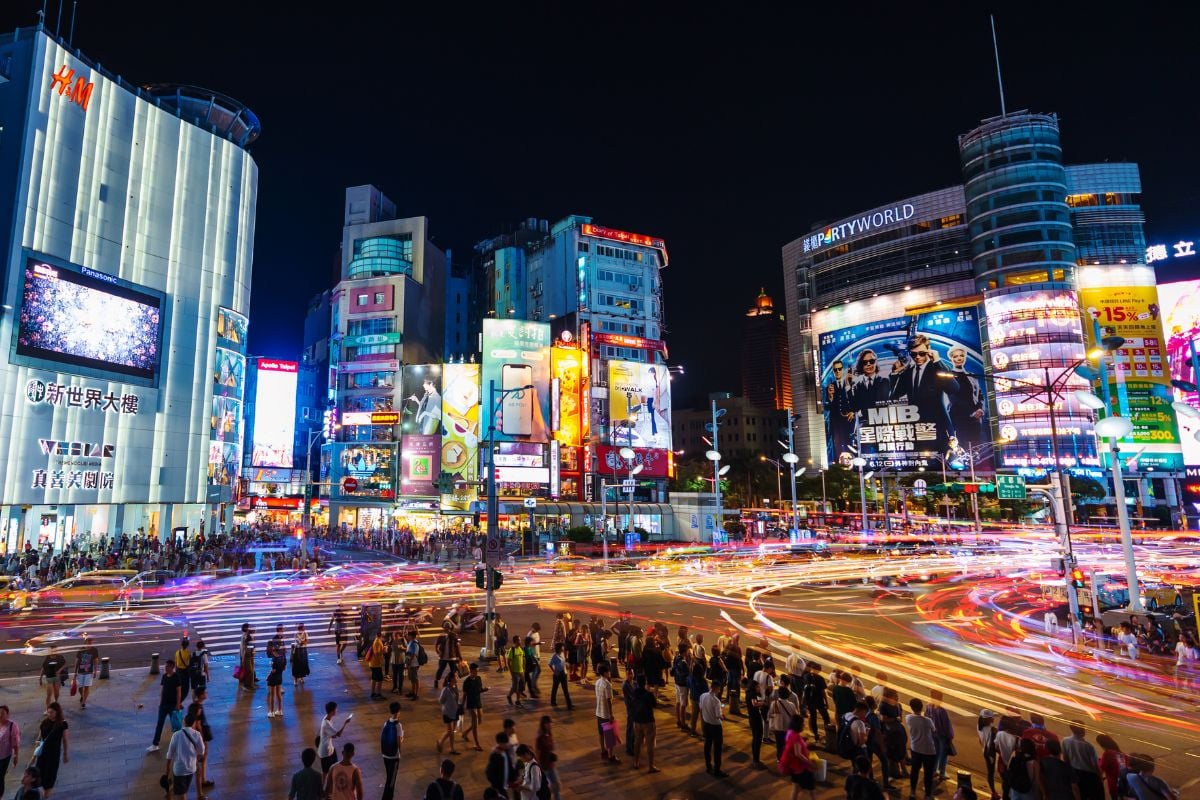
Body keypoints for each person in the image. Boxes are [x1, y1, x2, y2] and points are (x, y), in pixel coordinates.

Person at [164, 710, 204, 800]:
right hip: (191, 768)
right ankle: (171, 793)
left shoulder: (176, 735)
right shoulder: (197, 735)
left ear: (184, 722)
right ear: (194, 723)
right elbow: (201, 751)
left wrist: (167, 770)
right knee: (183, 790)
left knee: (182, 793)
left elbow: (170, 754)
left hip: (179, 770)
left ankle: (170, 794)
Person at [32, 703, 68, 799]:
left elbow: (65, 739)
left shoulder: (62, 724)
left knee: (50, 777)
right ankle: (40, 794)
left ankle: (46, 795)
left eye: (51, 712)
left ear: (57, 712)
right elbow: (39, 738)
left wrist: (65, 753)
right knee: (38, 774)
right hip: (42, 754)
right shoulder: (45, 722)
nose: (49, 714)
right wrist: (34, 754)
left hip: (53, 755)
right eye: (48, 712)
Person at [1060, 722, 1103, 800]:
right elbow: (1095, 765)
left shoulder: (1065, 741)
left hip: (1075, 773)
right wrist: (1100, 776)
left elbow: (1066, 758)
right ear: (1082, 730)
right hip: (1089, 776)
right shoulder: (1088, 746)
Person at [148, 660, 183, 752]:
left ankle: (179, 743)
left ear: (172, 667)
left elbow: (179, 692)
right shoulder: (164, 676)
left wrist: (178, 705)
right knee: (159, 724)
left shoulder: (176, 677)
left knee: (175, 725)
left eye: (167, 666)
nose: (165, 668)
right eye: (165, 666)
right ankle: (155, 744)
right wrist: (160, 703)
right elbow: (163, 690)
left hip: (173, 706)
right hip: (163, 705)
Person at [907, 698, 938, 800]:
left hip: (915, 748)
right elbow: (934, 730)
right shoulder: (927, 721)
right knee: (928, 773)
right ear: (922, 707)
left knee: (914, 771)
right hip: (928, 750)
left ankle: (912, 792)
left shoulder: (908, 718)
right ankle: (928, 795)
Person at [630, 675, 660, 773]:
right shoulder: (648, 694)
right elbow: (655, 705)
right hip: (648, 721)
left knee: (637, 742)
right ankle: (651, 766)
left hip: (637, 721)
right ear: (645, 683)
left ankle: (636, 762)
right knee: (650, 744)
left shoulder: (634, 692)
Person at [784, 715, 816, 800]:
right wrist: (810, 763)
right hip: (802, 767)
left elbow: (793, 747)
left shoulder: (789, 732)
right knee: (811, 790)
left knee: (795, 788)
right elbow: (798, 754)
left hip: (793, 766)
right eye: (803, 724)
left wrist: (804, 743)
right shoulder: (796, 736)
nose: (804, 725)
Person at [926, 689, 955, 783]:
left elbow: (927, 718)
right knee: (943, 755)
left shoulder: (928, 707)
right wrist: (950, 736)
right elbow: (946, 725)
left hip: (933, 733)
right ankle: (942, 773)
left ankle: (934, 770)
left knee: (936, 753)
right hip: (942, 736)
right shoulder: (942, 711)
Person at [699, 682, 726, 778]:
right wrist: (722, 715)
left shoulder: (703, 696)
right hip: (716, 726)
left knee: (707, 746)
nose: (719, 691)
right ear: (716, 688)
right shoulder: (716, 701)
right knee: (717, 748)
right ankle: (717, 770)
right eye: (719, 689)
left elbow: (701, 708)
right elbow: (718, 715)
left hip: (706, 725)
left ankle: (708, 766)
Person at [594, 663, 619, 762]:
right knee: (609, 735)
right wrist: (611, 714)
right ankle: (610, 755)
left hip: (598, 711)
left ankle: (603, 750)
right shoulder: (607, 684)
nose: (609, 673)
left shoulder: (597, 682)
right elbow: (609, 700)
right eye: (608, 671)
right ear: (605, 673)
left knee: (601, 733)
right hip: (605, 713)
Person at [769, 682, 800, 762]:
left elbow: (770, 715)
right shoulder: (792, 705)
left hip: (778, 729)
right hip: (789, 729)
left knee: (779, 745)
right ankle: (788, 759)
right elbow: (796, 716)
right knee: (788, 745)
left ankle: (780, 759)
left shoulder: (775, 704)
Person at [317, 701, 350, 775]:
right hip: (325, 751)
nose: (336, 710)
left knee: (334, 768)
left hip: (330, 748)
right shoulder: (327, 724)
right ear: (332, 711)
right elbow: (338, 734)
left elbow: (332, 735)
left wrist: (332, 735)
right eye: (335, 709)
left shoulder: (326, 717)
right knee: (326, 772)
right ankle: (326, 785)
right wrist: (345, 723)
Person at [380, 702, 403, 800]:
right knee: (391, 781)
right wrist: (400, 752)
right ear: (398, 712)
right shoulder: (398, 725)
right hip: (394, 756)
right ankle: (387, 798)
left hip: (385, 755)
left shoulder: (386, 723)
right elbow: (399, 742)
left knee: (389, 778)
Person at [461, 662, 487, 751]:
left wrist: (484, 690)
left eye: (477, 670)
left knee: (479, 721)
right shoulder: (466, 682)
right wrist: (462, 705)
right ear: (471, 671)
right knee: (475, 723)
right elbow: (464, 695)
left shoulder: (479, 678)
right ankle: (476, 744)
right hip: (471, 703)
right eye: (475, 670)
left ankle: (465, 733)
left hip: (478, 702)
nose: (476, 672)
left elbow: (479, 690)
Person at [436, 672, 462, 756]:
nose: (457, 678)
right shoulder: (446, 689)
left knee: (451, 731)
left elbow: (457, 698)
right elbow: (441, 700)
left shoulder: (455, 687)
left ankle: (442, 743)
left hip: (455, 711)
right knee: (450, 731)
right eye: (455, 677)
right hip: (447, 712)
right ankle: (450, 747)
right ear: (451, 678)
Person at [1095, 734, 1127, 800]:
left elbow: (1101, 770)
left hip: (1114, 784)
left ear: (1102, 745)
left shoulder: (1107, 754)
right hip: (1124, 783)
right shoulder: (1120, 753)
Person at [978, 710, 1001, 800]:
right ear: (988, 719)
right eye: (992, 717)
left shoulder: (979, 726)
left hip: (984, 750)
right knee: (991, 772)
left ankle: (993, 792)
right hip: (990, 753)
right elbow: (995, 744)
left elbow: (980, 740)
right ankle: (994, 792)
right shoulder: (992, 730)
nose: (993, 718)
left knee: (990, 772)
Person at [0, 704, 21, 797]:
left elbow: (15, 743)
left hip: (4, 756)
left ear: (7, 715)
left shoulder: (12, 726)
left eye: (2, 713)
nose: (0, 715)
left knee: (0, 777)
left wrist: (16, 756)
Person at [73, 635, 99, 709]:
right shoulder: (81, 650)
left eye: (91, 642)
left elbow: (96, 660)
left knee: (86, 687)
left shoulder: (94, 650)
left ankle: (84, 702)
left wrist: (95, 671)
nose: (90, 643)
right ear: (85, 642)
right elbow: (77, 661)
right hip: (80, 671)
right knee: (80, 688)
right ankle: (82, 696)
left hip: (89, 672)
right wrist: (75, 673)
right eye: (89, 642)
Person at [548, 643, 573, 710]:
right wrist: (554, 671)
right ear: (559, 648)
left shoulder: (562, 654)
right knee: (555, 688)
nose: (563, 648)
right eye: (562, 647)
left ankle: (569, 704)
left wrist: (566, 666)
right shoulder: (555, 656)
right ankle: (553, 701)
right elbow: (550, 664)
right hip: (557, 675)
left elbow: (563, 663)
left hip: (564, 674)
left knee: (566, 690)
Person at [506, 634, 527, 707]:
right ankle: (509, 696)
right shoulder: (512, 650)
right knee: (515, 687)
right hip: (515, 672)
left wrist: (524, 667)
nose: (520, 641)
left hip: (521, 671)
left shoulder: (521, 649)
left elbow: (523, 657)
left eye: (520, 640)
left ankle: (517, 700)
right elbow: (508, 661)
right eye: (518, 640)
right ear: (515, 641)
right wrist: (511, 672)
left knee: (521, 687)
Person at [267, 640, 287, 719]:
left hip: (273, 677)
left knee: (272, 695)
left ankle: (271, 711)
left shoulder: (274, 659)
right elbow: (284, 668)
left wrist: (269, 675)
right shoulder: (283, 657)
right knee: (278, 694)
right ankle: (280, 710)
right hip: (280, 676)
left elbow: (273, 671)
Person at [173, 637, 193, 705]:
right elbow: (189, 664)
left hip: (178, 671)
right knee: (185, 689)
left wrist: (175, 672)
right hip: (185, 673)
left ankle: (178, 702)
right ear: (187, 645)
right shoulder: (188, 653)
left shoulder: (177, 652)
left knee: (179, 688)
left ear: (181, 645)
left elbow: (176, 663)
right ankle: (179, 702)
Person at [367, 631, 387, 700]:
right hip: (376, 664)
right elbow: (377, 653)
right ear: (381, 636)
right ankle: (378, 694)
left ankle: (373, 693)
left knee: (374, 678)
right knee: (380, 679)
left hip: (373, 663)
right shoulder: (378, 642)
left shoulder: (377, 640)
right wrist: (383, 650)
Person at [404, 629, 422, 700]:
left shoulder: (415, 643)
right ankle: (412, 692)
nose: (407, 636)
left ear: (412, 636)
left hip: (414, 664)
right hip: (411, 664)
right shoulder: (410, 642)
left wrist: (409, 662)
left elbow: (413, 654)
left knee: (415, 679)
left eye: (408, 635)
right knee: (412, 679)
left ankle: (416, 694)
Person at [238, 623, 256, 690]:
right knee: (250, 671)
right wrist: (242, 658)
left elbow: (251, 646)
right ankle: (247, 685)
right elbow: (243, 648)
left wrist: (253, 652)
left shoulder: (249, 636)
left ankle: (250, 685)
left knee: (250, 671)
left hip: (250, 656)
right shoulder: (244, 637)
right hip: (246, 656)